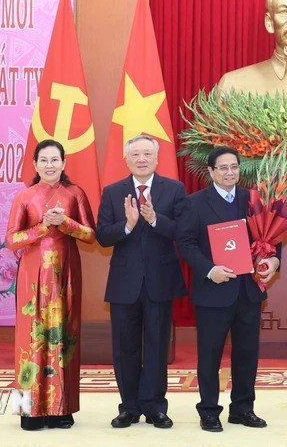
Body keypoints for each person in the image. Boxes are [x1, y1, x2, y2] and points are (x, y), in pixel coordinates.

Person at [175, 146, 280, 432]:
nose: (230, 172)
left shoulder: (253, 200)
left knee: (247, 353)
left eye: (234, 167)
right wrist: (210, 270)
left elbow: (272, 236)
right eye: (223, 168)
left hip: (248, 291)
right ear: (211, 172)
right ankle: (209, 411)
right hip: (213, 292)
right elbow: (186, 243)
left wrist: (273, 259)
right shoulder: (194, 203)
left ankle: (243, 409)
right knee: (210, 354)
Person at [96, 135, 187, 429]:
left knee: (157, 345)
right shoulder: (113, 192)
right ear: (127, 159)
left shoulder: (174, 190)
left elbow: (183, 232)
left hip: (160, 280)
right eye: (136, 154)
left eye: (148, 153)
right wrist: (128, 225)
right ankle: (129, 407)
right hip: (125, 282)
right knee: (125, 347)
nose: (142, 158)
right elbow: (102, 236)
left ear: (157, 158)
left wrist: (155, 219)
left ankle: (155, 406)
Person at [5, 139, 96, 431]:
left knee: (63, 335)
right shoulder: (25, 197)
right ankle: (30, 409)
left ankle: (62, 407)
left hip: (66, 273)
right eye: (43, 160)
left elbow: (90, 235)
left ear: (64, 162)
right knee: (32, 337)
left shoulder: (75, 193)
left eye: (55, 160)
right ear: (34, 165)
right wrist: (44, 226)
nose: (50, 165)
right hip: (32, 277)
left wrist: (66, 223)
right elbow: (12, 240)